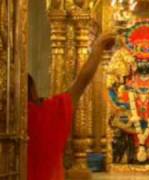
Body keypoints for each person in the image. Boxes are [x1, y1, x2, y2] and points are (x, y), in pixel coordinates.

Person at [28, 32, 115, 180]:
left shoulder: (12, 119)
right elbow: (82, 82)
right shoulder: (47, 113)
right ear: (33, 91)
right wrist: (98, 47)